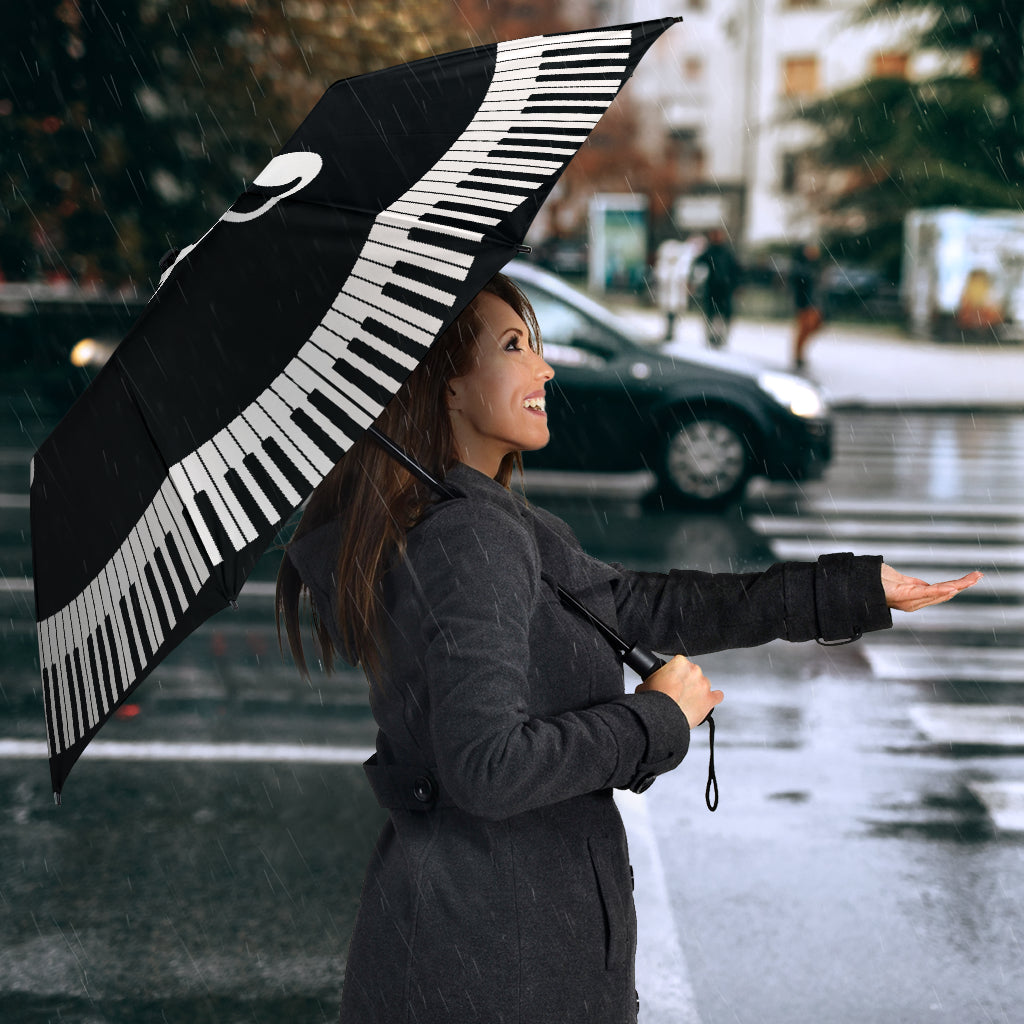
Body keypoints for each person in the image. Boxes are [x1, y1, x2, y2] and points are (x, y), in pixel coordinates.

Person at [276, 273, 980, 1024]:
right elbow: (487, 767)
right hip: (496, 963)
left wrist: (848, 590)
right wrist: (654, 719)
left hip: (485, 943)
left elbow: (643, 605)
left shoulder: (483, 521)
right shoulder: (469, 538)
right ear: (445, 387)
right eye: (515, 347)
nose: (544, 368)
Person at [691, 227, 741, 348]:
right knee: (711, 313)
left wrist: (736, 286)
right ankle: (711, 336)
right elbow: (697, 266)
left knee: (722, 315)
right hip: (712, 288)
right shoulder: (709, 252)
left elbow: (735, 270)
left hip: (725, 289)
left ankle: (720, 337)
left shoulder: (727, 253)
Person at [791, 242, 824, 370]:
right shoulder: (801, 267)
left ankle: (800, 354)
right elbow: (800, 283)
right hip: (805, 303)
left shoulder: (814, 266)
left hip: (813, 302)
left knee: (812, 327)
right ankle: (798, 355)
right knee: (804, 329)